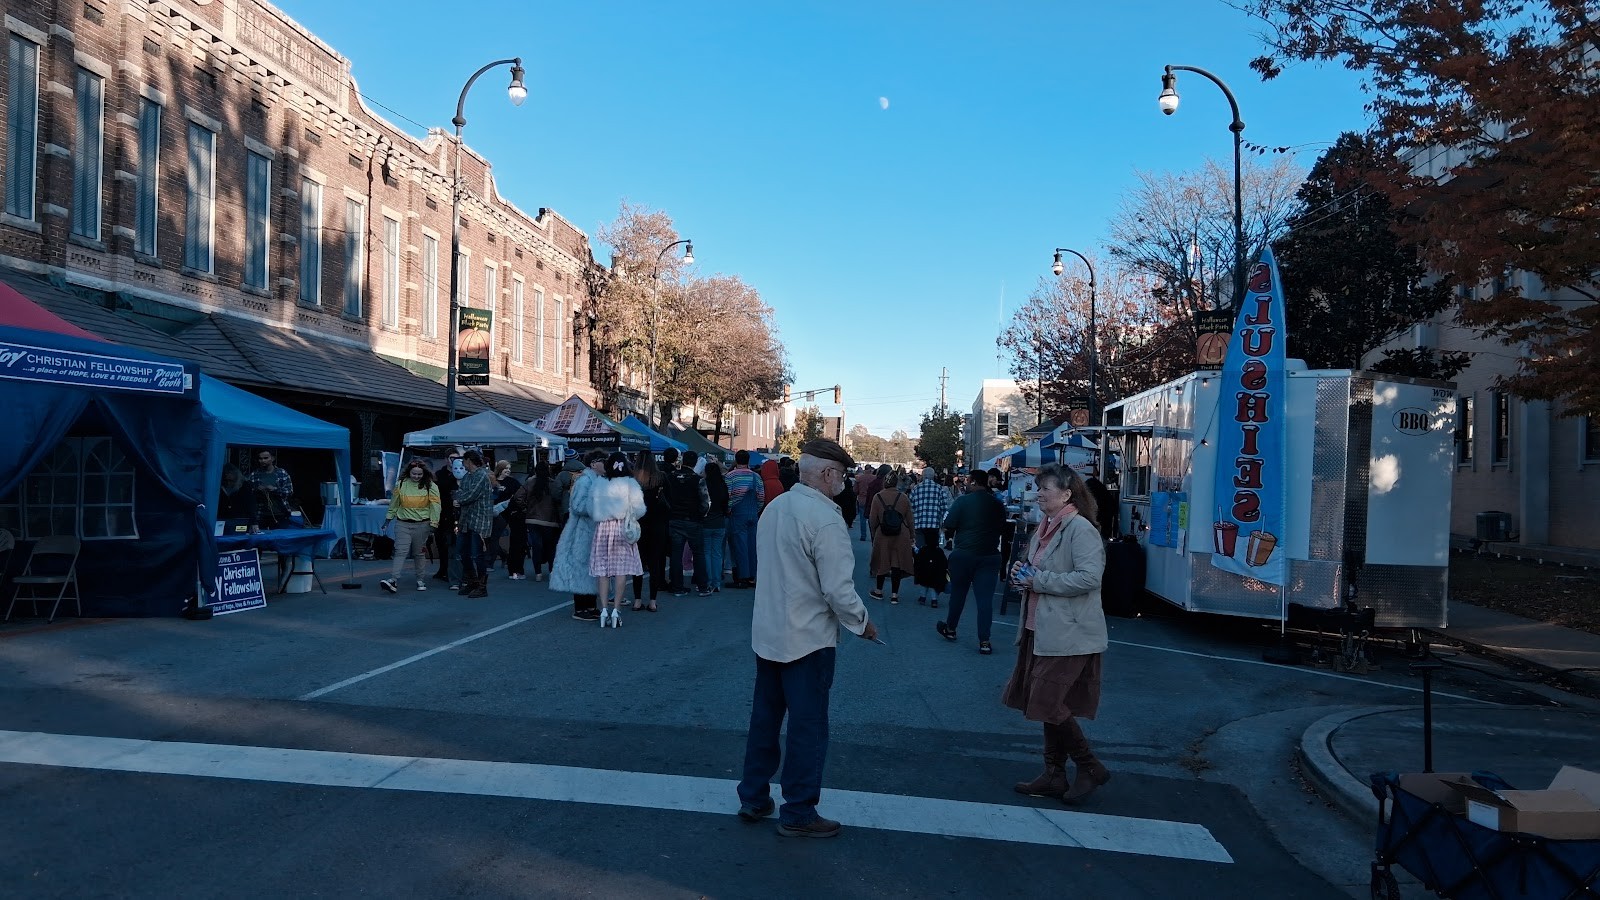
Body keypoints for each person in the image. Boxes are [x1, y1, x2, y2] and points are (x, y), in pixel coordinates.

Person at [736, 438, 877, 838]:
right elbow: (837, 588)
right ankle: (798, 810)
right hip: (808, 637)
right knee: (807, 726)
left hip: (768, 631)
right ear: (828, 474)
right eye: (843, 475)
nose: (844, 483)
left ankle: (753, 795)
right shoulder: (826, 519)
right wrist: (862, 621)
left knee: (764, 719)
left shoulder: (775, 508)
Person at [1004, 463, 1110, 805]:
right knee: (1049, 705)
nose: (1038, 494)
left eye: (1044, 489)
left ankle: (1089, 766)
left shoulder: (1080, 529)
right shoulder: (1046, 527)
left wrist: (1039, 581)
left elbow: (1090, 578)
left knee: (1048, 703)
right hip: (1041, 628)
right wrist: (1020, 570)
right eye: (1039, 488)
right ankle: (1054, 774)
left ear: (1065, 494)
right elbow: (1038, 568)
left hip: (1069, 632)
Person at [937, 469, 1009, 654]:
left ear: (975, 482)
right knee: (985, 600)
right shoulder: (997, 504)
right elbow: (1003, 528)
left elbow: (949, 524)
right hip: (990, 556)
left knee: (958, 594)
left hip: (964, 554)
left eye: (968, 481)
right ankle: (984, 640)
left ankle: (951, 628)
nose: (966, 484)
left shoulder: (963, 501)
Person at [589, 452, 646, 628]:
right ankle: (616, 610)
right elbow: (639, 510)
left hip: (603, 529)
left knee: (603, 572)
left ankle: (604, 609)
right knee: (621, 571)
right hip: (622, 528)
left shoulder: (599, 484)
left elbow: (591, 509)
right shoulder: (631, 484)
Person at [551, 450, 608, 621]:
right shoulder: (584, 481)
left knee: (593, 567)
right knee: (581, 567)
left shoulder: (598, 480)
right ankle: (580, 607)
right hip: (582, 531)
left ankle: (591, 604)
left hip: (594, 530)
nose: (606, 464)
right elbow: (577, 506)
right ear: (593, 464)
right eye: (602, 461)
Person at [381, 459, 440, 594]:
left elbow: (435, 506)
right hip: (403, 523)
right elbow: (394, 504)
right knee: (400, 551)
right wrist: (388, 520)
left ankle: (420, 579)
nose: (416, 477)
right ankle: (393, 579)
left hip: (422, 524)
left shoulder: (431, 486)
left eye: (419, 474)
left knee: (418, 553)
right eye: (414, 474)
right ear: (409, 472)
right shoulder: (401, 484)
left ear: (424, 473)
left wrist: (434, 523)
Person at [664, 450, 712, 597]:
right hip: (693, 520)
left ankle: (677, 586)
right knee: (698, 553)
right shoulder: (697, 479)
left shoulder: (670, 477)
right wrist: (701, 514)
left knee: (676, 554)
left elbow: (665, 497)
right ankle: (702, 586)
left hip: (675, 519)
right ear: (695, 462)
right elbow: (705, 501)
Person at [868, 471, 915, 603]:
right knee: (896, 564)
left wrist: (874, 532)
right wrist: (912, 534)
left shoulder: (878, 497)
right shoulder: (903, 497)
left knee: (882, 561)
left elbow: (873, 519)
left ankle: (879, 591)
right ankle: (894, 595)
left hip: (883, 533)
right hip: (901, 533)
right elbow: (910, 519)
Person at [631, 454, 670, 611]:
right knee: (655, 563)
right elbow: (669, 499)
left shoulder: (633, 479)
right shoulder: (661, 477)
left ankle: (637, 600)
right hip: (658, 524)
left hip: (638, 524)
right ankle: (652, 601)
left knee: (638, 564)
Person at [454, 450, 494, 599]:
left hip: (479, 521)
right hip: (466, 520)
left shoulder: (481, 476)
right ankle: (473, 581)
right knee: (463, 553)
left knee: (477, 555)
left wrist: (459, 499)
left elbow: (470, 494)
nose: (463, 464)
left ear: (469, 460)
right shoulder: (467, 477)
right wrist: (459, 498)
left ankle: (482, 586)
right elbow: (461, 492)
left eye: (464, 461)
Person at [909, 466, 951, 606]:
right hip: (934, 527)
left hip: (920, 526)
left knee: (922, 557)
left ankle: (922, 590)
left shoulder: (916, 489)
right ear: (933, 476)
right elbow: (945, 508)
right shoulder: (940, 489)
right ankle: (934, 593)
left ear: (922, 476)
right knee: (934, 558)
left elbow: (911, 506)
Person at [724, 450, 764, 589]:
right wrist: (755, 510)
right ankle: (752, 576)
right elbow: (761, 497)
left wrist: (729, 510)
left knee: (739, 546)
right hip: (753, 513)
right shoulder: (756, 476)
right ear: (748, 460)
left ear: (736, 459)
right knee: (752, 545)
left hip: (737, 513)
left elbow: (727, 497)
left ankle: (742, 577)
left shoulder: (730, 476)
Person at [514, 463, 559, 582]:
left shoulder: (530, 482)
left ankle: (538, 573)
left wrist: (525, 508)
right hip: (550, 520)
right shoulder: (553, 483)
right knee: (550, 547)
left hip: (532, 518)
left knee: (536, 546)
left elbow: (518, 496)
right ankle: (551, 571)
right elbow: (558, 498)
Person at [491, 459, 527, 580]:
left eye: (509, 468)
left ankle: (500, 559)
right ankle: (500, 556)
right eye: (506, 468)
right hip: (492, 512)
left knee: (503, 538)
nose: (508, 470)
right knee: (492, 538)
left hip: (509, 513)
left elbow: (519, 495)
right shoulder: (492, 480)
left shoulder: (512, 482)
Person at [702, 462, 730, 594]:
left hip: (706, 521)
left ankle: (708, 581)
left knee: (706, 552)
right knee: (717, 553)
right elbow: (726, 503)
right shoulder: (722, 485)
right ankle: (717, 582)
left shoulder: (703, 485)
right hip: (719, 521)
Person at [249, 450, 295, 528]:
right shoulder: (254, 474)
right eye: (260, 458)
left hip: (280, 513)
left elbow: (289, 491)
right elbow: (249, 496)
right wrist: (258, 490)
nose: (263, 461)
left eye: (266, 458)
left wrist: (275, 489)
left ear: (273, 458)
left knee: (281, 538)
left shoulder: (281, 473)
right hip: (261, 514)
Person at [218, 463, 258, 528]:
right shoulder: (219, 488)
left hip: (240, 521)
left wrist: (254, 523)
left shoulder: (244, 486)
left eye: (231, 481)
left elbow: (250, 505)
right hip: (222, 521)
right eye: (226, 481)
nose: (228, 483)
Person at [852, 464, 879, 542]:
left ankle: (863, 535)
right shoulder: (874, 478)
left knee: (862, 519)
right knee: (873, 518)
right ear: (870, 469)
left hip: (862, 499)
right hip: (872, 500)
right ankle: (872, 535)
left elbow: (855, 490)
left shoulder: (859, 478)